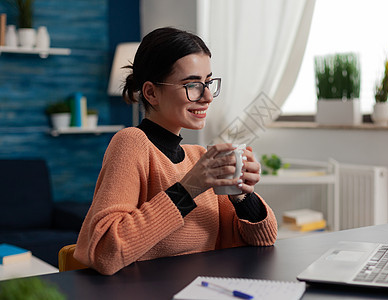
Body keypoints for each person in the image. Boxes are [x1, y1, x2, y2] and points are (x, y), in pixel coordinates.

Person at [74, 27, 278, 275]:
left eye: (208, 83)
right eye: (192, 84)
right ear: (151, 92)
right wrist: (189, 188)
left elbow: (263, 239)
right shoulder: (132, 143)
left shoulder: (197, 156)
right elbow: (105, 252)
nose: (207, 97)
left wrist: (241, 194)